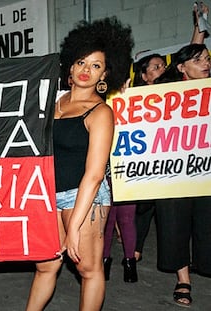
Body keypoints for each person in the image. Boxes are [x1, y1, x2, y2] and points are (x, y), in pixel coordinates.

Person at [25, 16, 134, 311]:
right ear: (70, 67)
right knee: (46, 266)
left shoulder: (100, 113)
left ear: (105, 74)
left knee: (89, 269)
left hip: (84, 198)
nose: (87, 70)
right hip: (48, 196)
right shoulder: (52, 105)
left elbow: (95, 174)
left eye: (96, 65)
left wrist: (74, 226)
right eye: (81, 62)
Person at [131, 2, 209, 263]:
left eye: (207, 59)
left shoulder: (191, 88)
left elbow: (188, 58)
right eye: (153, 67)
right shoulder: (151, 94)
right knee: (151, 214)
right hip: (163, 166)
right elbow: (185, 59)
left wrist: (200, 27)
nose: (160, 69)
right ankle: (138, 252)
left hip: (197, 165)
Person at [153, 43, 211, 307]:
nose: (206, 63)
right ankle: (183, 279)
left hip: (206, 172)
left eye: (208, 59)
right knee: (175, 225)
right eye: (198, 60)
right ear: (181, 68)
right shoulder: (165, 94)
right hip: (175, 174)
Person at [103, 166, 138, 283]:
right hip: (129, 172)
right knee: (127, 221)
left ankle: (103, 264)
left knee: (107, 222)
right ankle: (130, 268)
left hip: (108, 173)